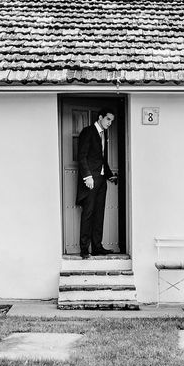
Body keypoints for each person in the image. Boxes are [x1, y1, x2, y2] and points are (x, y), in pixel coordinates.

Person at [75, 107, 117, 259]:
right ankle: (85, 250)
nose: (110, 123)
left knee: (99, 214)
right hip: (91, 180)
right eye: (108, 119)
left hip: (101, 179)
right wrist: (87, 177)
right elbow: (82, 156)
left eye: (111, 121)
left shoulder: (104, 134)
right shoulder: (88, 132)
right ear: (100, 117)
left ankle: (97, 247)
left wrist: (109, 175)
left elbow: (101, 158)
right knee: (88, 214)